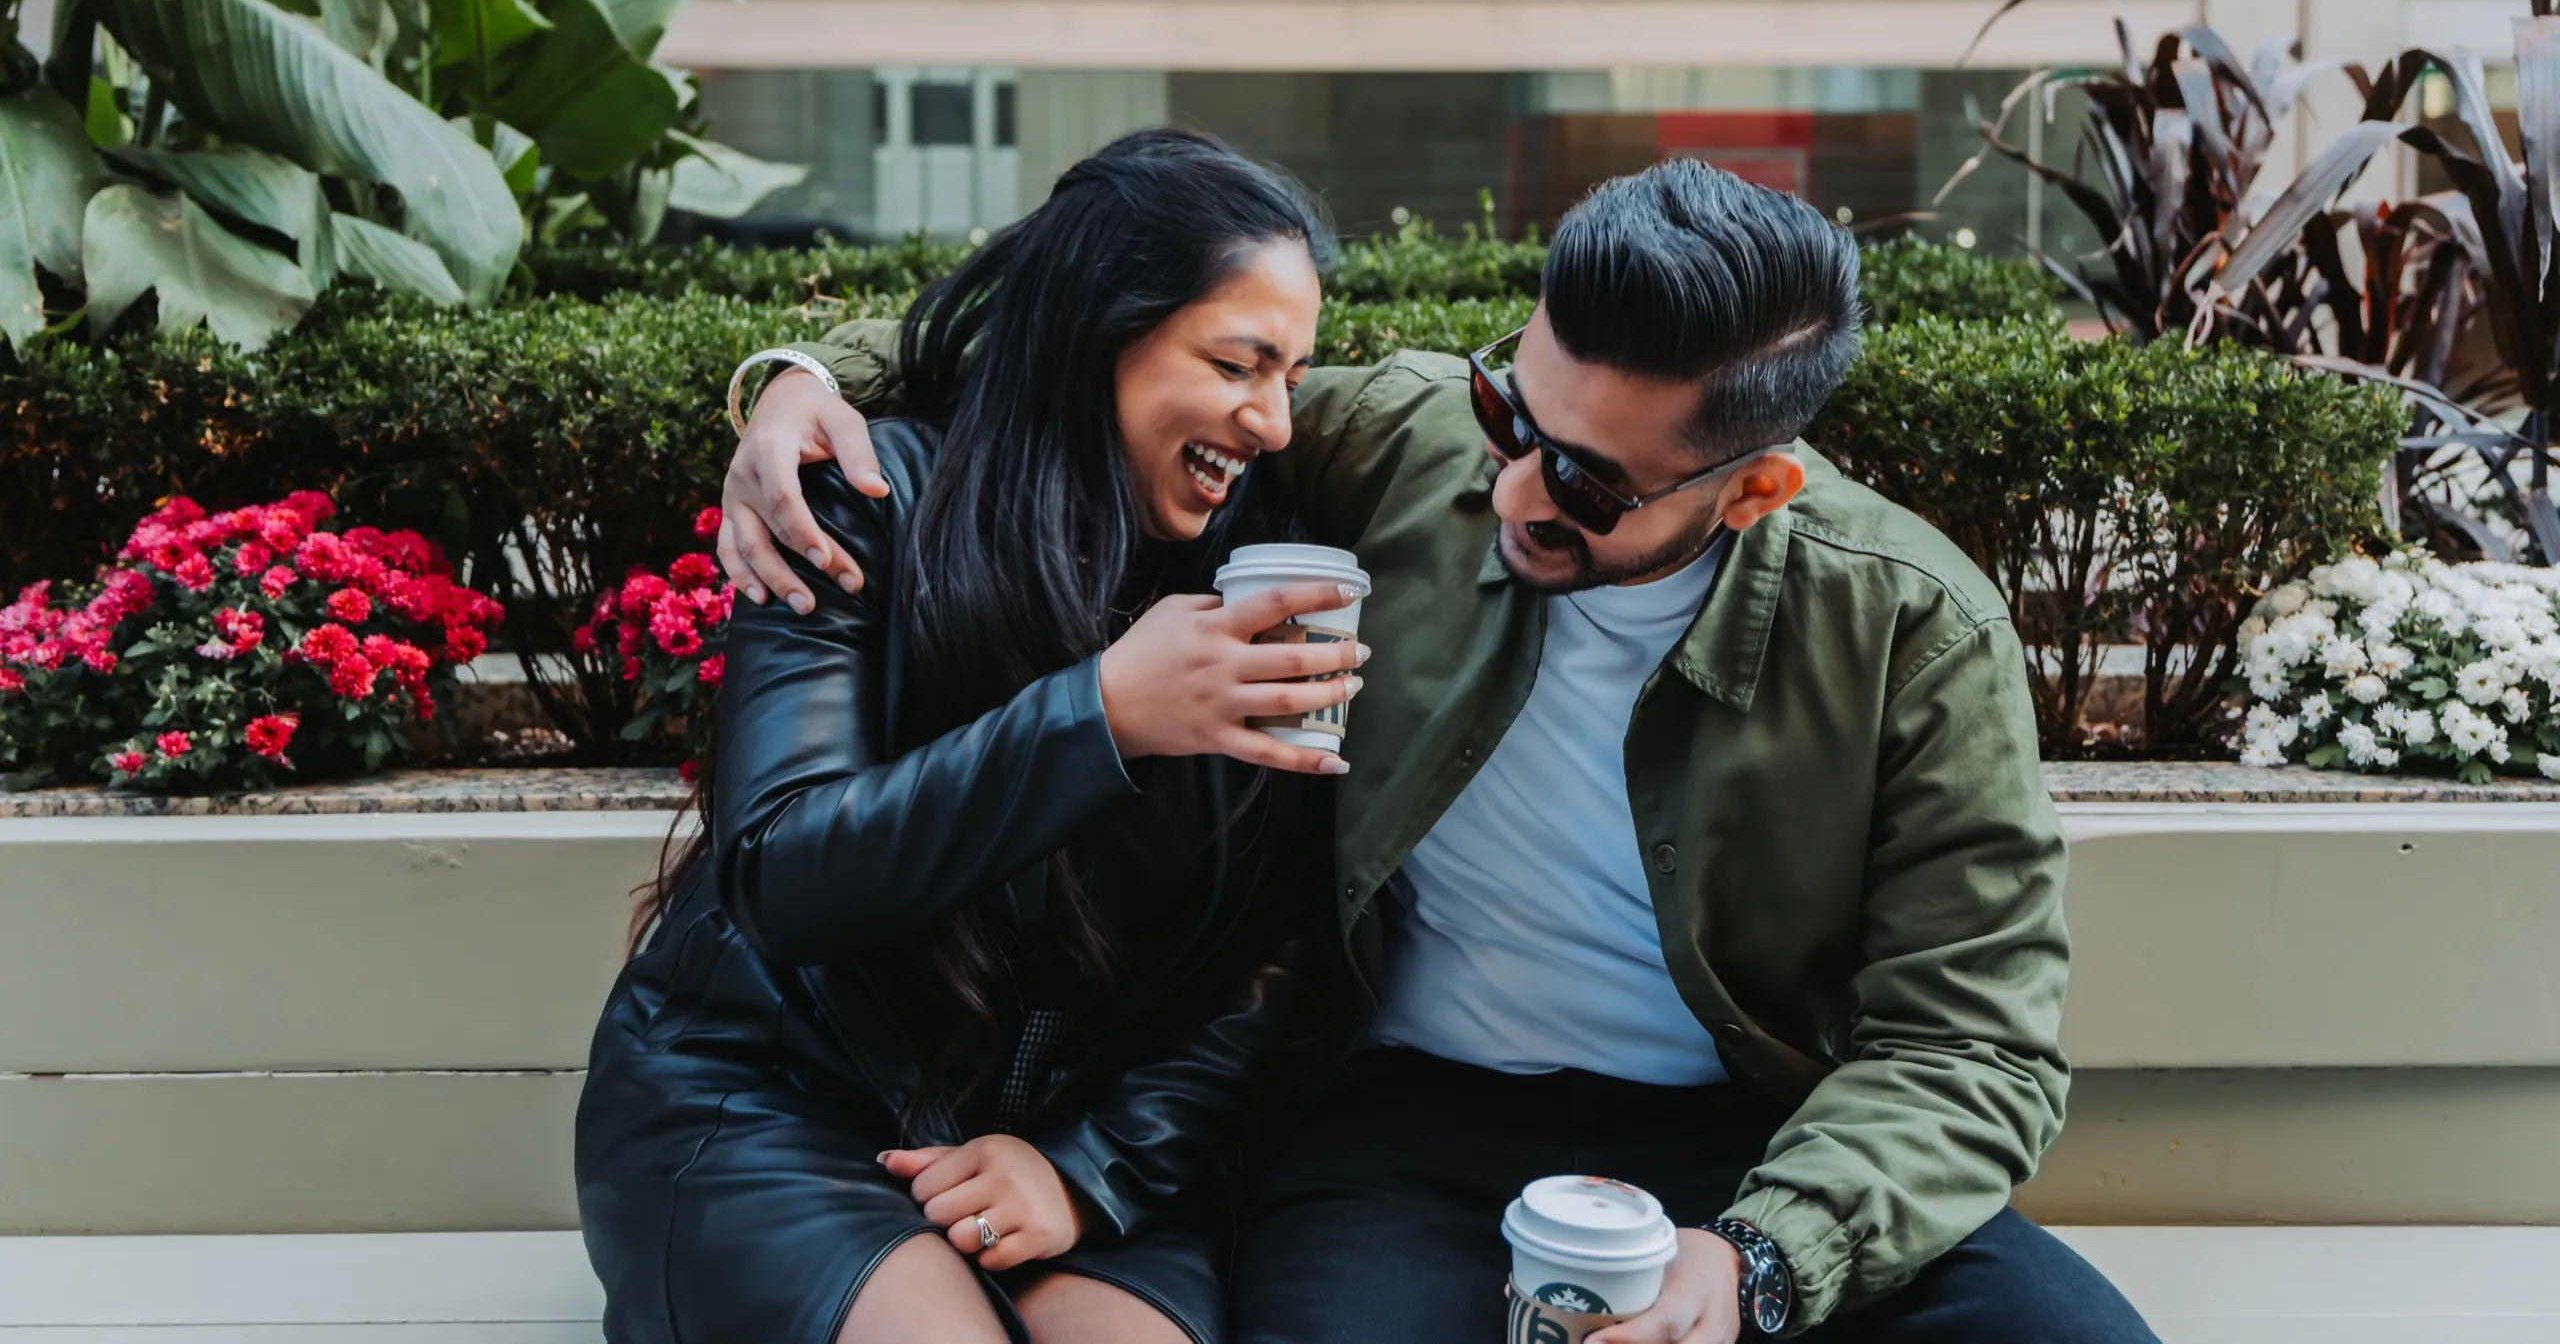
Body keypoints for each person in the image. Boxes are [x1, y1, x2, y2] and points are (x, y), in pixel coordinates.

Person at [716, 159, 2159, 1344]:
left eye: (1587, 481)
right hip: (1400, 1125)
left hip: (1761, 1132)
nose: (1514, 489)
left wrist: (1760, 1260)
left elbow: (1968, 1043)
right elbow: (1068, 342)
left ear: (1756, 486)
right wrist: (795, 383)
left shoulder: (1913, 628)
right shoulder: (1410, 446)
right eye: (1509, 410)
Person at [576, 129, 1362, 1344]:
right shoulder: (863, 502)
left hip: (1083, 1133)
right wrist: (1100, 714)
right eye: (1237, 362)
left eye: (1293, 377)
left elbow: (1284, 955)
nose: (1273, 423)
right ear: (1101, 326)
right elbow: (784, 872)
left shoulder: (1260, 569)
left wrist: (1085, 1167)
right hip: (776, 1101)